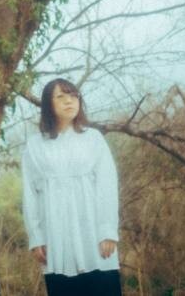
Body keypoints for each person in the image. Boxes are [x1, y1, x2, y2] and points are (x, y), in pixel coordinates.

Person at [21, 78, 122, 296]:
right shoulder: (35, 145)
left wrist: (107, 230)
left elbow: (107, 186)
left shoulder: (93, 139)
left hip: (94, 236)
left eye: (73, 96)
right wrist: (36, 237)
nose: (69, 101)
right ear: (48, 104)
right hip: (56, 238)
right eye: (61, 96)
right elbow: (30, 195)